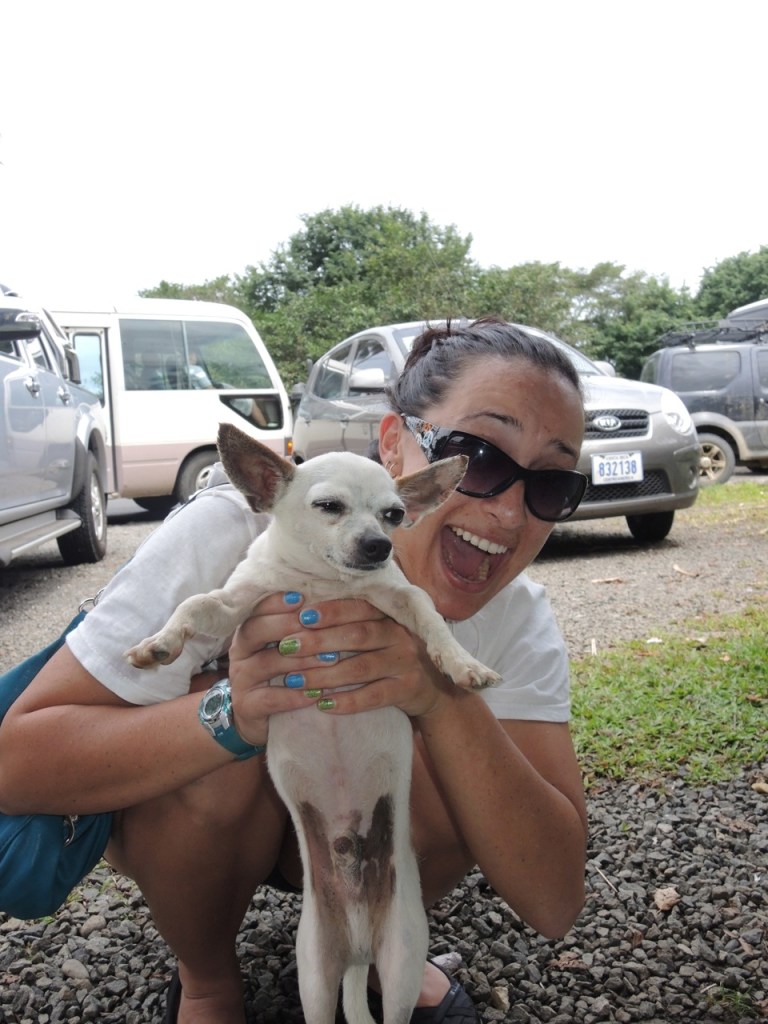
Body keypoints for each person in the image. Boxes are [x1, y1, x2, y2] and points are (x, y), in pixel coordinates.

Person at [0, 317, 589, 1024]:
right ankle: (209, 980)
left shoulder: (516, 615)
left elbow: (554, 899)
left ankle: (375, 955)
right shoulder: (239, 531)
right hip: (226, 815)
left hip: (361, 822)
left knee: (464, 752)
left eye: (550, 483)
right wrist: (234, 713)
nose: (506, 509)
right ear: (396, 445)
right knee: (214, 742)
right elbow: (18, 763)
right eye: (480, 457)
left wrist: (440, 697)